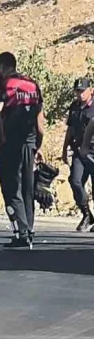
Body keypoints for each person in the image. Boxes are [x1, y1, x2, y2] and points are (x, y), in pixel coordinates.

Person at [0, 52, 46, 249]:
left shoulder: (3, 85)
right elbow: (40, 121)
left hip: (10, 143)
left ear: (4, 67)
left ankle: (21, 233)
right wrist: (38, 145)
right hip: (29, 143)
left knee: (11, 187)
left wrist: (0, 135)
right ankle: (30, 229)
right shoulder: (32, 85)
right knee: (27, 187)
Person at [63, 78, 94, 231]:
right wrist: (64, 150)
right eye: (77, 91)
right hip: (79, 151)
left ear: (91, 90)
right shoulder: (74, 107)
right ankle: (87, 214)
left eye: (82, 91)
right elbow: (70, 129)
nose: (80, 94)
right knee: (75, 181)